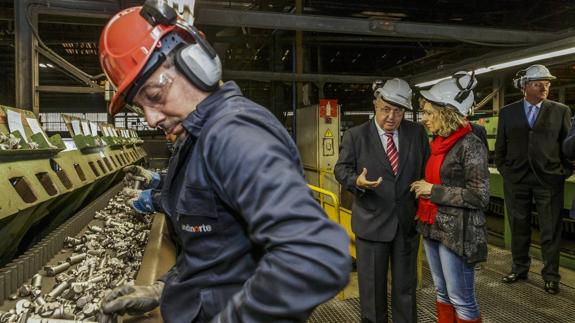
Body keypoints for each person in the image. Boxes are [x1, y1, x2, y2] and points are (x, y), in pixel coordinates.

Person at [97, 2, 351, 323]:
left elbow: (315, 255)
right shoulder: (197, 137)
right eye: (140, 107)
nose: (151, 118)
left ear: (195, 64)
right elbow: (217, 251)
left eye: (155, 96)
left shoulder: (234, 133)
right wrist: (164, 289)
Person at [335, 78, 430, 323]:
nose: (391, 117)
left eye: (398, 111)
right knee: (372, 292)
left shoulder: (417, 133)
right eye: (386, 109)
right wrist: (357, 181)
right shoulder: (356, 136)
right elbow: (341, 169)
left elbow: (426, 171)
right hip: (372, 222)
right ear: (376, 104)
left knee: (406, 289)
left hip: (406, 224)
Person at [411, 71, 488, 323]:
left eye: (429, 113)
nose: (425, 119)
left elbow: (479, 196)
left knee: (461, 300)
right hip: (434, 226)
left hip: (458, 233)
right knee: (443, 293)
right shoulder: (439, 143)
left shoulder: (470, 144)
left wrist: (431, 190)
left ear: (447, 113)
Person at [495, 64, 572, 295]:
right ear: (525, 87)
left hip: (549, 180)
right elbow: (501, 146)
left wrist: (562, 172)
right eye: (539, 84)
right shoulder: (508, 112)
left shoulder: (560, 110)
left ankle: (551, 276)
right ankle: (519, 268)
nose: (544, 88)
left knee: (550, 230)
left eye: (547, 84)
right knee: (519, 227)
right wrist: (506, 171)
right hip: (517, 179)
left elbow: (567, 146)